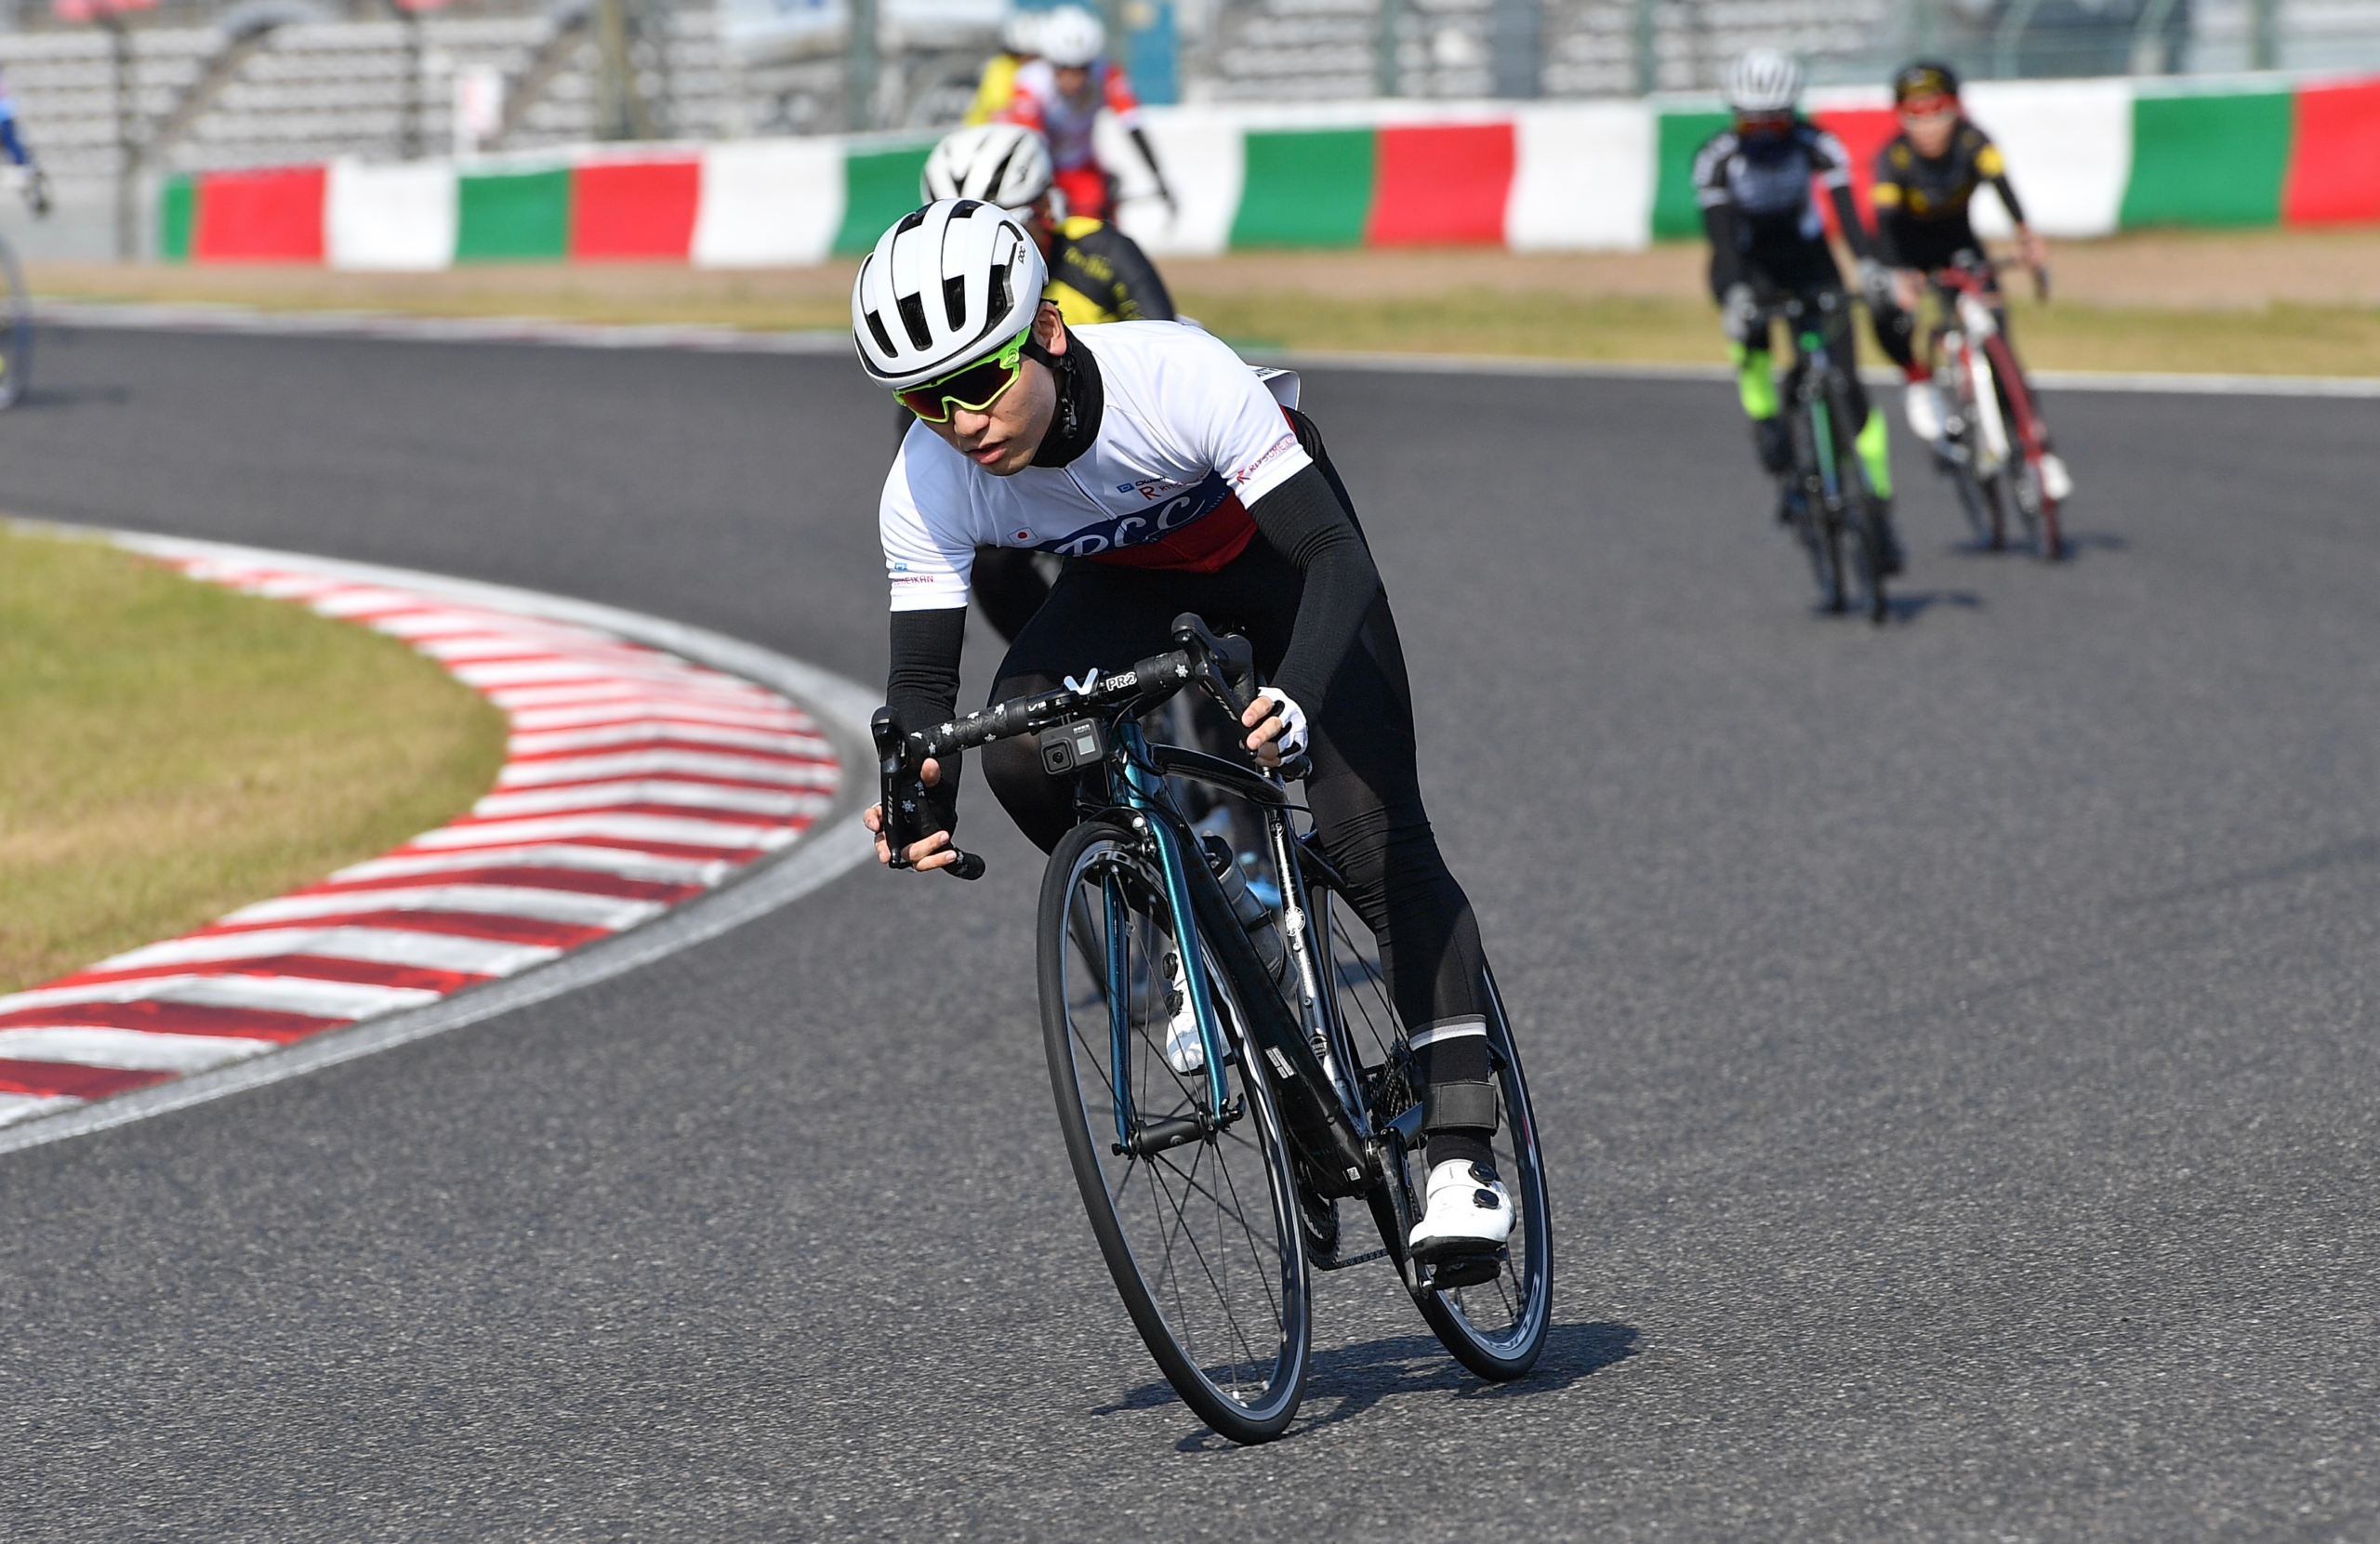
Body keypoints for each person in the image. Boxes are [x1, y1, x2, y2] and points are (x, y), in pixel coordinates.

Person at [855, 199, 1514, 1262]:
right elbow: (926, 690)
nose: (964, 420)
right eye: (928, 400)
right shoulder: (928, 481)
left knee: (1367, 833)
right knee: (1021, 747)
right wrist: (917, 793)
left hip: (1282, 558)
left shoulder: (1177, 376)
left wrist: (1295, 689)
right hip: (1131, 581)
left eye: (980, 379)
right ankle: (1209, 938)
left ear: (1050, 333)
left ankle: (1460, 1149)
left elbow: (1338, 562)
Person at [919, 121, 1178, 641]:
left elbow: (1167, 355)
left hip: (1123, 457)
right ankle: (1061, 665)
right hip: (1026, 473)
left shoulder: (1103, 253)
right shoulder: (939, 290)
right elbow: (924, 420)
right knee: (991, 566)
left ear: (1046, 209)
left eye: (1003, 226)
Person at [1693, 49, 1909, 571]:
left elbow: (1848, 217)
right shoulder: (1716, 157)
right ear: (1735, 114)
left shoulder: (1819, 144)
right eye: (1752, 121)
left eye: (1776, 120)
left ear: (1794, 112)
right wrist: (1739, 295)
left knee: (1849, 382)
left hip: (1808, 259)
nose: (1765, 134)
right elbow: (1721, 239)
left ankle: (1876, 501)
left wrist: (1870, 268)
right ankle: (1766, 417)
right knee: (1749, 328)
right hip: (1746, 261)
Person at [1869, 60, 2071, 500]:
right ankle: (1919, 381)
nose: (1928, 126)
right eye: (1914, 114)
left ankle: (2039, 454)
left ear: (1956, 108)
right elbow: (1882, 224)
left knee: (2002, 350)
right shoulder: (1893, 158)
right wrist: (1900, 275)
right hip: (1906, 249)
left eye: (1937, 110)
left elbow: (2002, 185)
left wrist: (2025, 234)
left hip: (1960, 243)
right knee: (1882, 306)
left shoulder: (1974, 141)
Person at [996, 6, 1173, 225]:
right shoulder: (1029, 82)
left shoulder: (1107, 74)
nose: (1073, 79)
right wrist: (1047, 189)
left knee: (1102, 231)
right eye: (1063, 69)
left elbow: (1132, 126)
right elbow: (1032, 142)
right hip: (1040, 166)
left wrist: (1158, 176)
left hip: (1083, 169)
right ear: (1050, 63)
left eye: (1081, 69)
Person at [963, 7, 1042, 127]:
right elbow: (998, 111)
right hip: (983, 131)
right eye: (1021, 55)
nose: (1027, 61)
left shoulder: (1042, 73)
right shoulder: (1000, 68)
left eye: (1033, 57)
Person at [0, 69, 50, 217]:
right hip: (7, 116)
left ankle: (28, 181)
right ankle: (28, 180)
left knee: (18, 157)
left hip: (4, 118)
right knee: (18, 156)